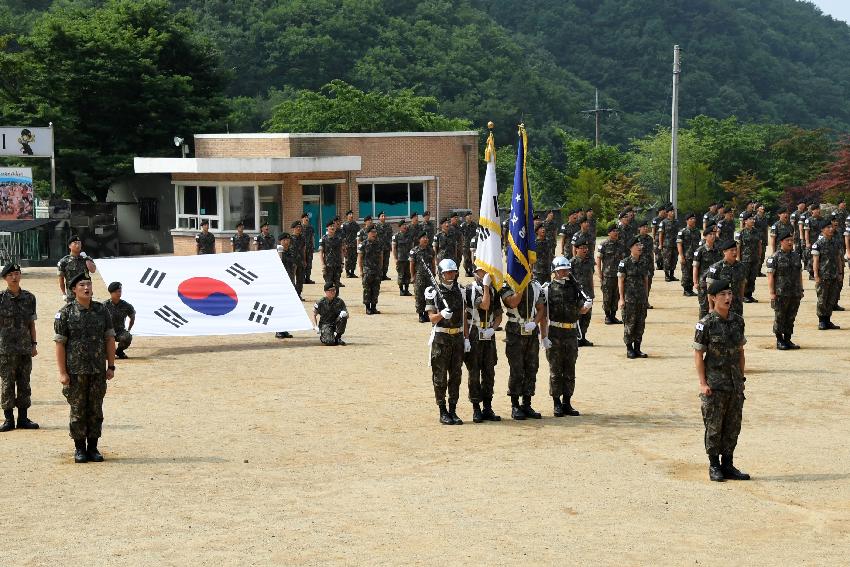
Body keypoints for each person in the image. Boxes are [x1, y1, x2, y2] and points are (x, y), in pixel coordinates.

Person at [54, 273, 116, 463]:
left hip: (97, 371)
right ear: (74, 289)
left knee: (96, 410)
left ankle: (94, 448)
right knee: (78, 409)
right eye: (82, 285)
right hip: (76, 371)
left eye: (89, 284)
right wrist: (63, 372)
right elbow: (60, 344)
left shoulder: (101, 310)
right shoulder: (65, 313)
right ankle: (79, 449)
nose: (87, 288)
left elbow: (110, 338)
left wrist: (111, 366)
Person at [694, 278, 750, 482]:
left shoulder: (737, 320)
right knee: (714, 426)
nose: (728, 298)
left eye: (730, 294)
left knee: (733, 425)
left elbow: (741, 351)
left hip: (735, 383)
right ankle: (714, 465)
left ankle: (728, 463)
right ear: (712, 298)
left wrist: (741, 378)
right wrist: (703, 383)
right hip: (715, 384)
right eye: (723, 295)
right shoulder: (705, 324)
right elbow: (698, 355)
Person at [542, 257, 592, 417]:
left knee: (570, 369)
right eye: (562, 269)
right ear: (555, 271)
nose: (566, 272)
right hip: (555, 333)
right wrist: (543, 337)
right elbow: (543, 314)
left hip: (570, 333)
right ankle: (556, 403)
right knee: (556, 370)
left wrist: (585, 307)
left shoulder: (574, 288)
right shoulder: (548, 289)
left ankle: (567, 402)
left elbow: (580, 308)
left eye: (567, 269)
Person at [425, 259, 468, 425]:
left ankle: (453, 410)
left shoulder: (461, 290)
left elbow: (464, 315)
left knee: (456, 376)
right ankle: (442, 410)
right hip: (441, 339)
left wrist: (466, 338)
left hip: (457, 339)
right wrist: (442, 314)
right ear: (441, 274)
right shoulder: (433, 292)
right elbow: (431, 318)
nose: (451, 275)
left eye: (453, 272)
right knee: (440, 377)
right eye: (447, 272)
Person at [0, 262, 39, 432]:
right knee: (7, 383)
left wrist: (34, 344)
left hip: (24, 348)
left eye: (17, 273)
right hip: (5, 349)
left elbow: (31, 324)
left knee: (24, 383)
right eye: (11, 275)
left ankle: (23, 418)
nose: (14, 277)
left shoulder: (29, 298)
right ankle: (8, 419)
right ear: (5, 278)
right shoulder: (0, 298)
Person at [500, 277, 546, 420]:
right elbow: (513, 302)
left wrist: (535, 322)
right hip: (515, 332)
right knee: (517, 370)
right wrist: (521, 285)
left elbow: (541, 308)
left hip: (531, 332)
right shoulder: (507, 285)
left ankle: (527, 403)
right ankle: (515, 405)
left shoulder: (535, 286)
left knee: (531, 368)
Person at [463, 265, 502, 423]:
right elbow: (484, 305)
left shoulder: (493, 290)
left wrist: (493, 329)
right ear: (475, 273)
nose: (486, 273)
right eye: (482, 271)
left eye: (487, 271)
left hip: (488, 334)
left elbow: (498, 314)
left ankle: (487, 406)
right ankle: (476, 407)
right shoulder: (470, 289)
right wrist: (466, 338)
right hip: (474, 332)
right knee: (474, 371)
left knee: (489, 371)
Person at [766, 229, 803, 349]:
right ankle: (779, 340)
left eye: (792, 240)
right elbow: (770, 276)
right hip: (781, 293)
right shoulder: (775, 257)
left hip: (795, 292)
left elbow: (799, 274)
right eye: (787, 240)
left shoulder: (796, 256)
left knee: (791, 316)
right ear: (781, 242)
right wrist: (772, 292)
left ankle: (788, 339)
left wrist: (801, 289)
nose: (790, 242)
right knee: (780, 316)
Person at [618, 237, 650, 359]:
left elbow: (645, 280)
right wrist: (621, 298)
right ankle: (629, 349)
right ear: (631, 248)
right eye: (637, 245)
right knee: (630, 324)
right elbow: (620, 281)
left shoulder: (644, 261)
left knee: (640, 324)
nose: (640, 247)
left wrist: (646, 297)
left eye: (640, 245)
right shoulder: (624, 263)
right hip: (629, 299)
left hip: (641, 299)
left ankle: (638, 348)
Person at [812, 221, 842, 330]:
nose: (831, 229)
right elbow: (815, 261)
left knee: (831, 299)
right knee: (822, 299)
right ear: (822, 230)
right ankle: (821, 321)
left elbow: (838, 258)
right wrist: (816, 275)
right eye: (828, 227)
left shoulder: (835, 242)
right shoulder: (818, 244)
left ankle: (828, 320)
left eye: (831, 227)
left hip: (833, 275)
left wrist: (840, 272)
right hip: (823, 276)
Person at [706, 241, 746, 316]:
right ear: (724, 252)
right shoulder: (716, 268)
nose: (735, 252)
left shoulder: (741, 266)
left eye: (736, 250)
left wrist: (740, 300)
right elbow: (709, 289)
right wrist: (711, 307)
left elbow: (742, 284)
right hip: (721, 305)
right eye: (732, 250)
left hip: (736, 305)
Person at [596, 223, 624, 325]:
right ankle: (607, 316)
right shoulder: (603, 245)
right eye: (613, 231)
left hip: (618, 275)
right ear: (609, 233)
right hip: (607, 275)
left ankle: (613, 316)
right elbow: (598, 259)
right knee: (607, 297)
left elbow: (623, 260)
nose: (616, 232)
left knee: (616, 296)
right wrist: (599, 273)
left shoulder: (620, 245)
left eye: (617, 231)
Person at [692, 226, 722, 318]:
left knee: (717, 308)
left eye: (714, 234)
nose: (713, 236)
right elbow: (695, 267)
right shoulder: (700, 251)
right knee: (704, 308)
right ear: (705, 237)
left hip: (716, 283)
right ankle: (702, 329)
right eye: (710, 234)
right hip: (704, 283)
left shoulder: (718, 250)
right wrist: (695, 282)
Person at [57, 235, 97, 302]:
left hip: (86, 293)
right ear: (69, 246)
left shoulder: (86, 258)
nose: (77, 245)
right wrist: (64, 293)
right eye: (75, 243)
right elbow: (61, 279)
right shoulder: (63, 261)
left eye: (79, 243)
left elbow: (92, 270)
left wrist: (86, 258)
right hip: (72, 295)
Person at [570, 241, 595, 346]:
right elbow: (569, 279)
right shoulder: (572, 262)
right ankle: (576, 338)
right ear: (576, 249)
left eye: (586, 247)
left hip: (588, 293)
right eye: (582, 248)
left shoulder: (589, 261)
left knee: (587, 317)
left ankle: (583, 337)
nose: (585, 250)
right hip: (578, 294)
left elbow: (591, 277)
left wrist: (592, 292)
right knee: (578, 316)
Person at [410, 232, 436, 323]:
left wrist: (434, 272)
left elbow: (433, 262)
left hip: (429, 277)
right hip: (419, 277)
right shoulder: (414, 251)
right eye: (423, 238)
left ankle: (427, 314)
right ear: (419, 240)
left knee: (429, 296)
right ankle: (421, 315)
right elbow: (412, 264)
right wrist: (412, 276)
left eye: (427, 238)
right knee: (419, 296)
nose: (426, 239)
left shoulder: (431, 250)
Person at [104, 282, 135, 359]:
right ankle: (107, 352)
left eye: (120, 291)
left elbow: (132, 317)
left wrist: (129, 329)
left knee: (127, 337)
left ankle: (119, 351)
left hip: (119, 332)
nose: (119, 293)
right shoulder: (104, 305)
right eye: (116, 291)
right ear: (111, 293)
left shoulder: (126, 305)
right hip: (107, 332)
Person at [736, 213, 761, 303]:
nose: (753, 220)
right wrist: (738, 258)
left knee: (752, 277)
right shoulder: (740, 232)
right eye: (750, 219)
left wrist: (759, 255)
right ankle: (743, 295)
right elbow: (738, 246)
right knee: (744, 277)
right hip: (745, 259)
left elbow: (759, 244)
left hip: (754, 258)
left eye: (753, 219)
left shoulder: (756, 231)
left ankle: (749, 295)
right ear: (745, 221)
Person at [358, 225, 383, 315]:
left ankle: (374, 307)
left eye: (375, 232)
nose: (374, 234)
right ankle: (368, 308)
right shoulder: (363, 244)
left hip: (376, 271)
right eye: (372, 232)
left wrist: (380, 269)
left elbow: (381, 257)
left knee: (376, 289)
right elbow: (360, 258)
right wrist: (361, 271)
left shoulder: (378, 244)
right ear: (368, 233)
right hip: (367, 271)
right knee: (367, 290)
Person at [275, 233, 296, 339]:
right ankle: (278, 330)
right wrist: (280, 252)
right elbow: (277, 264)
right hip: (281, 283)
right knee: (280, 307)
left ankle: (285, 329)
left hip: (290, 281)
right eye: (285, 240)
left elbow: (294, 266)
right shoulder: (278, 252)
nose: (287, 241)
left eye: (288, 239)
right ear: (281, 241)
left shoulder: (292, 251)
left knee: (288, 307)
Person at [677, 213, 701, 296]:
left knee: (693, 272)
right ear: (687, 221)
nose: (693, 220)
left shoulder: (697, 231)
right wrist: (681, 256)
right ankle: (686, 290)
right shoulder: (682, 232)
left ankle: (690, 289)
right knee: (686, 273)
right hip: (687, 256)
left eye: (694, 218)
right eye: (691, 219)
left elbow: (700, 244)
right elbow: (679, 244)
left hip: (695, 256)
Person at [318, 221, 344, 289]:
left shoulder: (339, 238)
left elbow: (341, 251)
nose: (332, 227)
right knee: (329, 286)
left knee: (337, 285)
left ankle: (335, 299)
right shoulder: (323, 239)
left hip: (337, 265)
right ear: (327, 228)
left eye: (333, 226)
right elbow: (321, 252)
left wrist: (342, 262)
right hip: (328, 266)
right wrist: (323, 264)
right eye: (331, 226)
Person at [392, 220, 414, 296]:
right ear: (400, 227)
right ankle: (401, 290)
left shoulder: (410, 235)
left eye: (405, 225)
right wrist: (395, 258)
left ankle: (407, 290)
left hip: (408, 259)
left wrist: (412, 257)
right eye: (403, 225)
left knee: (408, 274)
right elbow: (394, 248)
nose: (405, 226)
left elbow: (412, 247)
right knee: (401, 275)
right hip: (400, 258)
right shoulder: (396, 236)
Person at [659, 208, 679, 282]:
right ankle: (667, 276)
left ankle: (672, 275)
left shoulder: (677, 222)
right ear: (667, 213)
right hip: (667, 245)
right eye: (671, 211)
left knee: (674, 260)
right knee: (667, 261)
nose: (673, 212)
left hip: (675, 244)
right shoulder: (663, 222)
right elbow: (661, 234)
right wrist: (660, 244)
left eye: (673, 211)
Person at [289, 221, 307, 300]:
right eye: (297, 227)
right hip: (292, 261)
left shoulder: (302, 237)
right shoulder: (290, 238)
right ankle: (292, 295)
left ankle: (298, 294)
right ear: (293, 228)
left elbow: (303, 249)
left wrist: (305, 260)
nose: (299, 229)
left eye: (300, 227)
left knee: (300, 279)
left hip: (300, 261)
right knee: (292, 279)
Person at [341, 210, 360, 278]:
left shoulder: (356, 225)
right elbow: (342, 236)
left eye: (352, 214)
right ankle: (347, 272)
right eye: (350, 214)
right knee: (348, 259)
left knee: (354, 259)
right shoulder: (344, 225)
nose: (351, 216)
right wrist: (344, 245)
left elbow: (358, 235)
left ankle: (352, 272)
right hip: (347, 245)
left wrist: (358, 244)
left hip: (355, 245)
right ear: (347, 216)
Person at [376, 211, 393, 281]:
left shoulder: (388, 226)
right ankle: (379, 275)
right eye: (382, 216)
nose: (383, 217)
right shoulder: (376, 226)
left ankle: (384, 275)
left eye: (384, 216)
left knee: (386, 261)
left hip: (387, 246)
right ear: (379, 218)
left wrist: (391, 245)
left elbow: (390, 236)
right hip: (380, 247)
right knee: (380, 261)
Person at [300, 213, 316, 284]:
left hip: (309, 248)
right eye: (305, 217)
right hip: (302, 249)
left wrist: (313, 246)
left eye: (307, 217)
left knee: (309, 264)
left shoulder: (311, 227)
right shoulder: (299, 227)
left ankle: (308, 278)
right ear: (302, 219)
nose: (307, 218)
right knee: (303, 263)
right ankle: (302, 278)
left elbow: (312, 237)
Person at [461, 211, 478, 276]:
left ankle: (471, 271)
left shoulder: (474, 225)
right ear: (466, 217)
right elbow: (460, 235)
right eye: (469, 215)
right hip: (465, 245)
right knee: (466, 259)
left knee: (472, 258)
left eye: (471, 215)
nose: (470, 217)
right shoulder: (463, 225)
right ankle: (466, 271)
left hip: (473, 245)